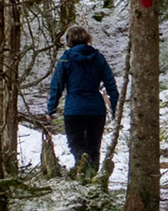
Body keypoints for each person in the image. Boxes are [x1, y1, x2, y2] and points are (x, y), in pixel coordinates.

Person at [47, 25, 118, 177]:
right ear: (87, 39)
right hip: (96, 109)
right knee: (94, 146)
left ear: (69, 40)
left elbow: (56, 85)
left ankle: (81, 172)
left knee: (76, 145)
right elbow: (111, 84)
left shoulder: (66, 59)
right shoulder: (98, 58)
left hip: (74, 109)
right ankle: (93, 178)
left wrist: (51, 108)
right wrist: (115, 107)